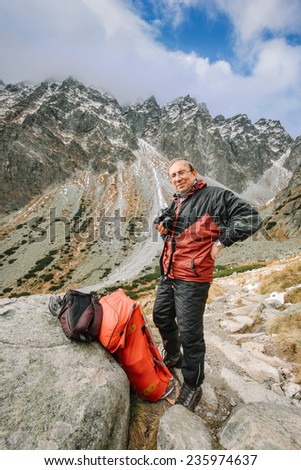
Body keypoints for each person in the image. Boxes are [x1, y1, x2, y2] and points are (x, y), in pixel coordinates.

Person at [153, 158, 262, 412]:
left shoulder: (215, 197)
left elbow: (252, 218)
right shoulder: (177, 200)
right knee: (160, 315)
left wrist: (222, 242)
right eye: (172, 176)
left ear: (194, 173)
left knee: (190, 333)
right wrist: (163, 227)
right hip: (169, 274)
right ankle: (172, 355)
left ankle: (193, 384)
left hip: (193, 278)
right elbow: (173, 236)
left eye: (182, 173)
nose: (177, 178)